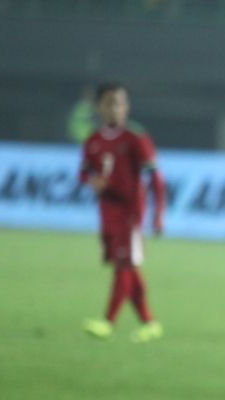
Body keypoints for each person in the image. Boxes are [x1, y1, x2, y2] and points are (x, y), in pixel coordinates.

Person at [79, 82, 165, 343]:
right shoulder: (93, 140)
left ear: (126, 106)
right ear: (99, 107)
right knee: (129, 268)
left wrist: (158, 214)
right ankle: (150, 323)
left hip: (131, 212)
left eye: (121, 103)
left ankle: (108, 322)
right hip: (108, 213)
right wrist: (92, 182)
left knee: (124, 265)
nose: (116, 109)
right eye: (110, 103)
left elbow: (156, 179)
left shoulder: (136, 137)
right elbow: (84, 173)